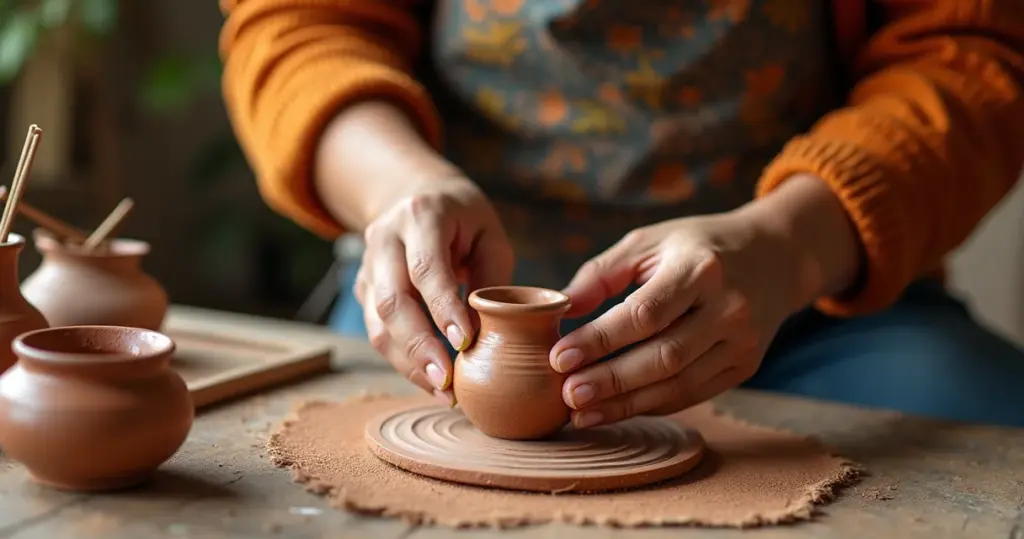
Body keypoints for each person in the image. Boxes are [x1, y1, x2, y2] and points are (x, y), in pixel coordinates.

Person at [218, 0, 1024, 427]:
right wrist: (398, 186)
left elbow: (970, 55)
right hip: (446, 307)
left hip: (813, 292)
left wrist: (785, 246)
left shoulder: (796, 262)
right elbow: (298, 24)